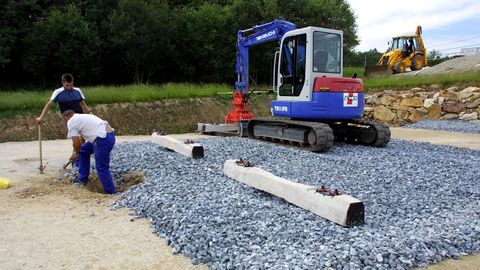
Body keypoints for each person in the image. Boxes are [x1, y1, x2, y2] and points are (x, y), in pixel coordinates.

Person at [62, 110, 116, 194]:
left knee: (102, 167)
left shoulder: (71, 122)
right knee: (84, 150)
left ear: (66, 118)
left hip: (102, 140)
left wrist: (76, 153)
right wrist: (79, 151)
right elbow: (82, 139)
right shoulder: (82, 117)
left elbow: (75, 142)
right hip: (109, 136)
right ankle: (82, 179)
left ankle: (111, 192)